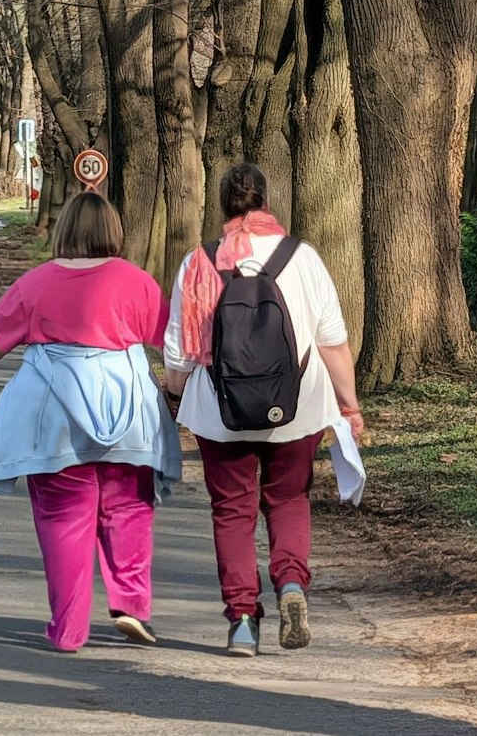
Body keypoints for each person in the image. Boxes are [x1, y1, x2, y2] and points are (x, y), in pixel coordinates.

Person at [0, 192, 180, 652]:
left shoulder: (37, 281)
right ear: (113, 231)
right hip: (127, 413)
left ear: (64, 231)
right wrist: (181, 387)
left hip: (55, 418)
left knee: (63, 519)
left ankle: (69, 628)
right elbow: (170, 340)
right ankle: (130, 605)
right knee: (129, 508)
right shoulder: (136, 281)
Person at [163, 163, 365, 657]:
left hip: (220, 410)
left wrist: (175, 398)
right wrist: (349, 406)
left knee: (232, 510)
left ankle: (241, 622)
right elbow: (333, 343)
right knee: (288, 499)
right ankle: (291, 583)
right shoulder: (303, 258)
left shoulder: (199, 262)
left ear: (223, 206)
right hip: (297, 406)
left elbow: (178, 353)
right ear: (266, 201)